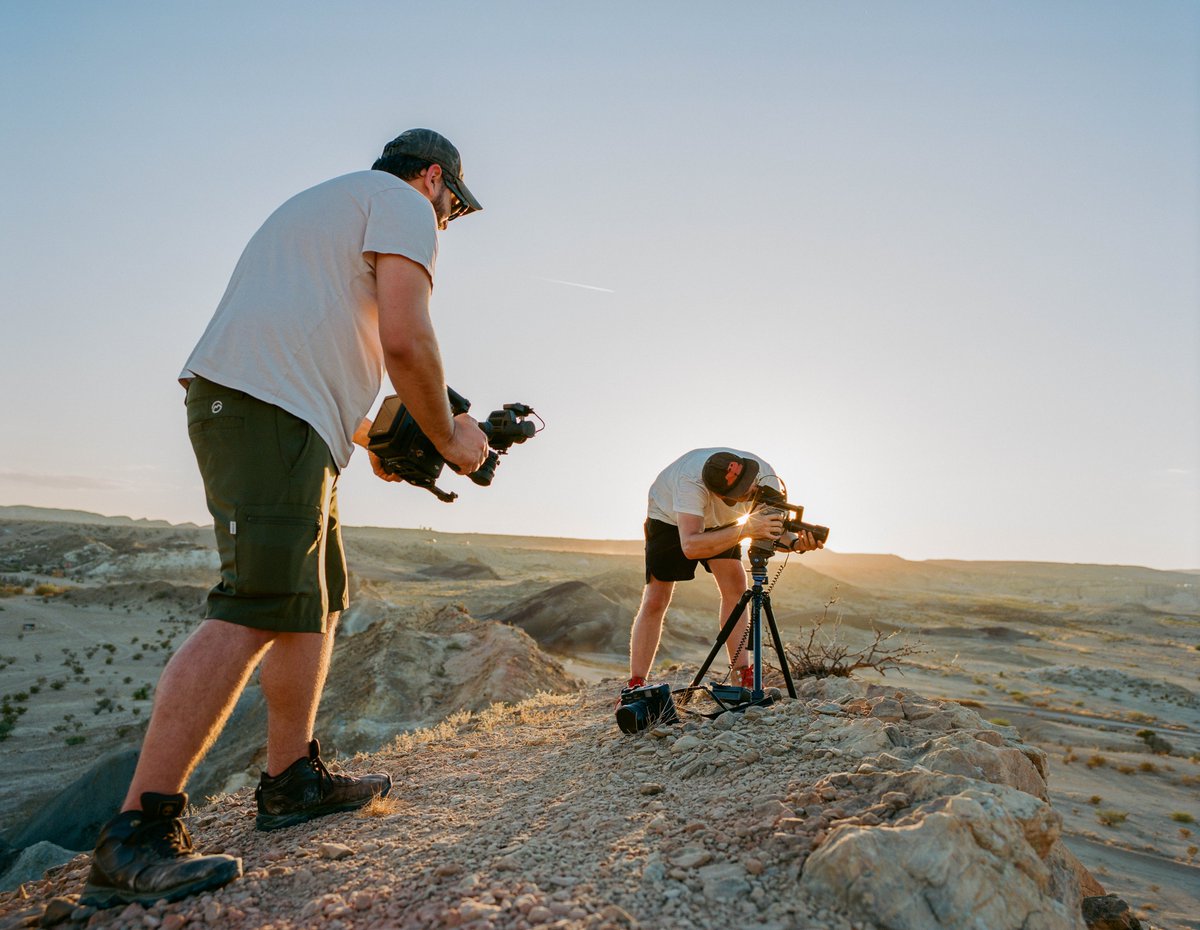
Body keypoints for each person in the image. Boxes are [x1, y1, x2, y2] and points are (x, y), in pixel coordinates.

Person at [82, 129, 490, 908]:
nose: (447, 222)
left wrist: (376, 436)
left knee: (313, 601)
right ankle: (135, 833)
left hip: (283, 411)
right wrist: (453, 440)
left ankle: (290, 778)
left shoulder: (331, 207)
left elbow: (327, 340)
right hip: (268, 406)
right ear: (433, 178)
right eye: (454, 208)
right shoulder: (401, 204)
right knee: (259, 600)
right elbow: (408, 340)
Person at [625, 449, 822, 693]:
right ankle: (635, 685)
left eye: (750, 487)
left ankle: (742, 675)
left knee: (736, 588)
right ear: (718, 494)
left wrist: (794, 543)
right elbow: (691, 546)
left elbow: (773, 529)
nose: (750, 495)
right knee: (656, 598)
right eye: (743, 495)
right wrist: (747, 529)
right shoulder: (689, 483)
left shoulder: (766, 476)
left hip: (723, 523)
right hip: (669, 519)